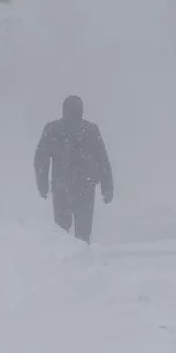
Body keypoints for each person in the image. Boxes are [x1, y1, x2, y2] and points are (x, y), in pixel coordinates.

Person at [34, 96, 113, 243]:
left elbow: (41, 160)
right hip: (85, 189)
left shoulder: (53, 129)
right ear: (81, 110)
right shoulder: (91, 130)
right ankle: (82, 261)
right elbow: (103, 161)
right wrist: (107, 187)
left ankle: (65, 263)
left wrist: (42, 183)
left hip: (62, 188)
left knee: (61, 233)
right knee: (83, 234)